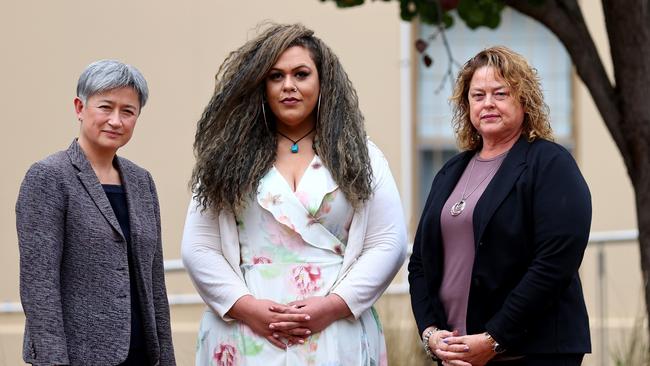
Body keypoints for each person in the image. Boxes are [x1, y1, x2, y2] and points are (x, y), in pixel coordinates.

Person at [181, 23, 407, 365]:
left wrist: (332, 307)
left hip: (334, 329)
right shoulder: (224, 158)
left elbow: (388, 242)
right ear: (260, 84)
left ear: (322, 81)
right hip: (244, 331)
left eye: (301, 74)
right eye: (275, 76)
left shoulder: (362, 155)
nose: (289, 86)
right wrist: (248, 308)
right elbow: (198, 247)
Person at [408, 46, 591, 366]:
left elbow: (553, 265)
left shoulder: (550, 165)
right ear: (467, 106)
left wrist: (495, 338)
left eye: (500, 93)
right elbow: (420, 263)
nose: (488, 103)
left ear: (524, 99)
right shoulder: (451, 171)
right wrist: (431, 333)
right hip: (456, 355)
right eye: (478, 95)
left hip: (530, 353)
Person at [16, 60, 176, 365]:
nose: (116, 120)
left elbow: (155, 284)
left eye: (128, 111)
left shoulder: (142, 182)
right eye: (106, 107)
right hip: (79, 356)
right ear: (80, 107)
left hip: (143, 354)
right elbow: (39, 286)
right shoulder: (49, 176)